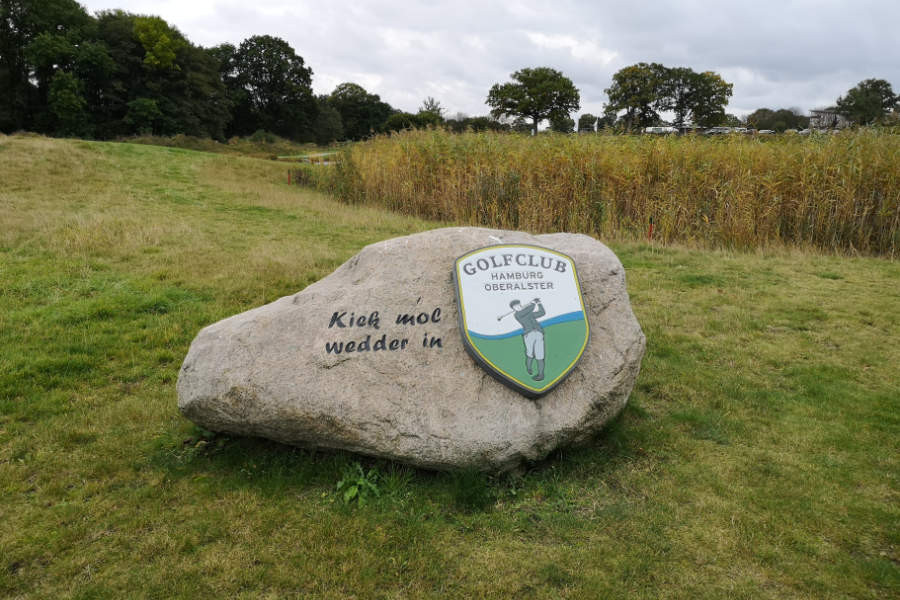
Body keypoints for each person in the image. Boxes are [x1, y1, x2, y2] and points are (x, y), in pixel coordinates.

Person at [510, 298, 546, 381]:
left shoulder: (529, 313)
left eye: (519, 304)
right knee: (530, 353)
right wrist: (533, 303)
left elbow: (542, 313)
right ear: (513, 309)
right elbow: (527, 310)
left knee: (540, 355)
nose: (518, 307)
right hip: (529, 335)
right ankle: (529, 368)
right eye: (515, 306)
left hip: (539, 333)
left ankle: (541, 374)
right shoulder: (517, 315)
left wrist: (539, 303)